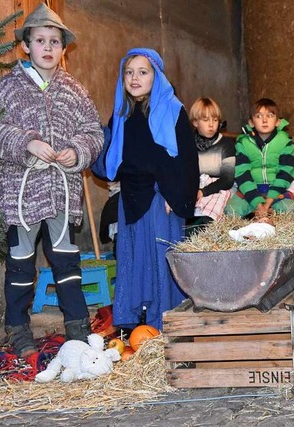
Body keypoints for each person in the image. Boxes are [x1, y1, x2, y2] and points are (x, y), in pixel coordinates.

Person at [0, 3, 104, 357]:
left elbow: (93, 131)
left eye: (54, 41)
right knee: (21, 262)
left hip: (62, 192)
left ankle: (77, 325)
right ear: (26, 46)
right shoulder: (8, 89)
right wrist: (27, 143)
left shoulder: (74, 91)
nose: (48, 48)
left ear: (64, 48)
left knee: (67, 261)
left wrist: (77, 152)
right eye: (40, 40)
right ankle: (18, 327)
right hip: (22, 192)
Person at [91, 48, 199, 331]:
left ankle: (164, 317)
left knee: (159, 255)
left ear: (157, 76)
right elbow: (113, 155)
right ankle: (135, 315)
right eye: (129, 72)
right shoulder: (122, 114)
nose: (134, 78)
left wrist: (175, 195)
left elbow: (186, 159)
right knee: (133, 253)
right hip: (131, 194)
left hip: (161, 195)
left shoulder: (172, 110)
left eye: (143, 72)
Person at [225, 98, 294, 218]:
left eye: (270, 115)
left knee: (289, 209)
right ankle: (247, 233)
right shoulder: (243, 142)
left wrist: (268, 203)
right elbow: (242, 173)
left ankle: (273, 232)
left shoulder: (285, 141)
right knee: (232, 210)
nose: (264, 120)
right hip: (250, 191)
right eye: (258, 116)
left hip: (276, 191)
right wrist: (258, 204)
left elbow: (286, 173)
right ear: (251, 122)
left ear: (278, 121)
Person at [186, 97, 236, 233]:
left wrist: (203, 191)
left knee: (208, 215)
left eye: (215, 120)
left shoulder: (226, 145)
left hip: (218, 188)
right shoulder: (187, 144)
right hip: (195, 186)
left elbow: (228, 179)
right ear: (195, 122)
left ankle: (199, 231)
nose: (211, 125)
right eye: (206, 120)